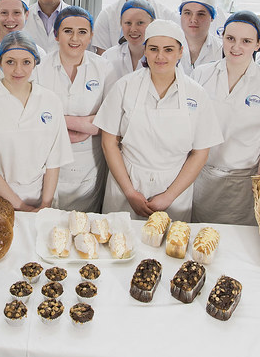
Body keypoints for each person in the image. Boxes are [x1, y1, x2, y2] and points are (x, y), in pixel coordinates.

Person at [95, 19, 223, 221]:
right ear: (145, 50)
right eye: (153, 49)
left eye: (169, 50)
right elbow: (108, 142)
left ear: (181, 52)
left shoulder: (196, 94)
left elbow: (200, 153)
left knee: (169, 247)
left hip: (173, 189)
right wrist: (129, 192)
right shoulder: (125, 87)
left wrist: (168, 196)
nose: (160, 56)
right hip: (126, 184)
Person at [191, 11, 260, 224]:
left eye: (246, 41)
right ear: (222, 38)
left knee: (235, 239)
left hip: (242, 178)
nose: (236, 47)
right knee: (199, 235)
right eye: (230, 39)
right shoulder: (201, 74)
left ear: (258, 44)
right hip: (201, 173)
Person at [0, 32, 72, 211]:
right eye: (10, 62)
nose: (18, 70)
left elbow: (54, 160)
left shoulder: (50, 101)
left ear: (35, 62)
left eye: (26, 62)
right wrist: (21, 206)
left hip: (44, 199)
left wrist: (45, 205)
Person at [33, 6, 118, 212]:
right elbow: (30, 116)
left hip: (89, 163)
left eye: (82, 32)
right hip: (45, 157)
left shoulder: (104, 69)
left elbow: (112, 120)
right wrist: (83, 124)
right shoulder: (38, 68)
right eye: (67, 31)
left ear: (91, 36)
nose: (75, 38)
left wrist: (57, 122)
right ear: (56, 35)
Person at [100, 0, 156, 78]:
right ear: (121, 24)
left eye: (140, 23)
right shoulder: (109, 56)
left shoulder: (160, 59)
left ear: (152, 24)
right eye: (128, 23)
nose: (133, 29)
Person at [179, 0, 223, 70]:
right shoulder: (167, 48)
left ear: (212, 18)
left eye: (201, 14)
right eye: (188, 13)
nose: (193, 19)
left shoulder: (221, 51)